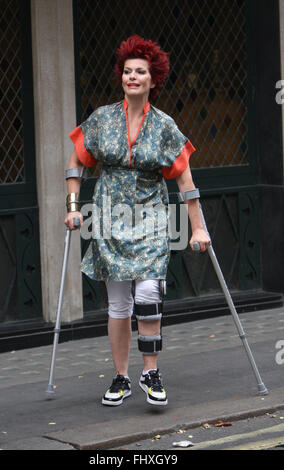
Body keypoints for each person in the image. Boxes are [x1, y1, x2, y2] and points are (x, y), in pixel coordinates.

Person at [65, 35, 210, 407]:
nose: (133, 77)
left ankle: (150, 371)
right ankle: (120, 377)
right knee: (118, 303)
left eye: (140, 72)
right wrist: (73, 204)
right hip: (110, 216)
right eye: (127, 71)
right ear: (122, 77)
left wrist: (198, 226)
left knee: (147, 293)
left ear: (152, 79)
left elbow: (185, 181)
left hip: (151, 215)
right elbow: (77, 161)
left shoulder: (164, 126)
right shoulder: (101, 118)